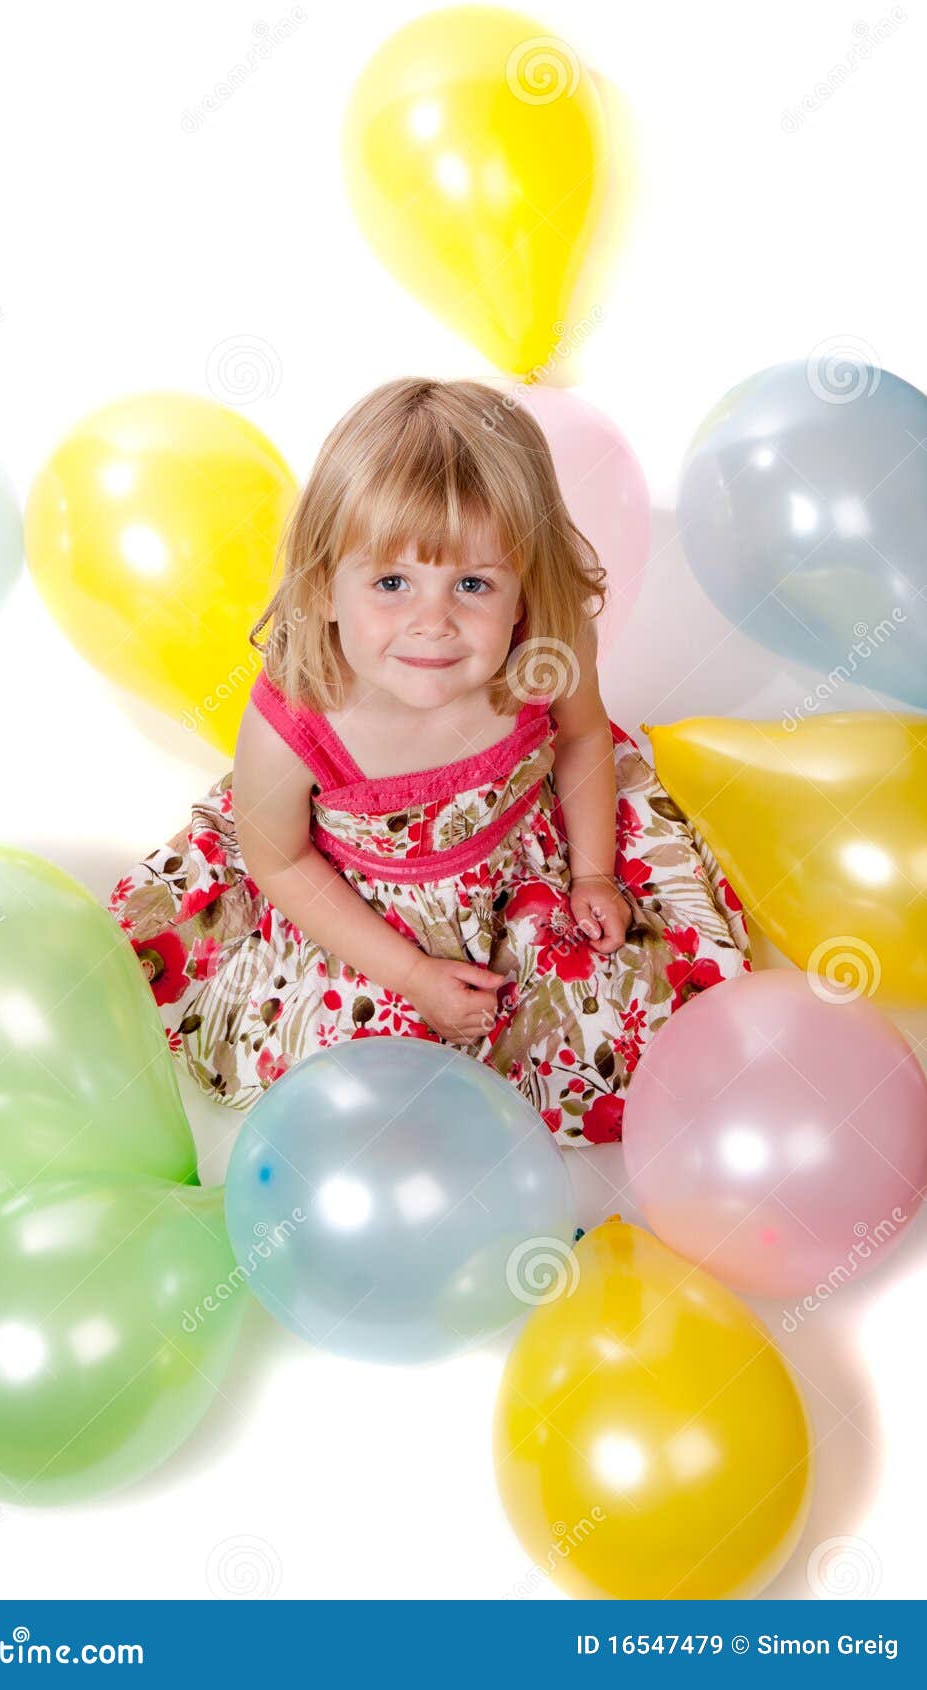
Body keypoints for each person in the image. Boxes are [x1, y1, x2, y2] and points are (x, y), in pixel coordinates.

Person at [107, 377, 751, 1147]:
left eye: (473, 584)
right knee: (392, 1115)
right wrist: (412, 976)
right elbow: (279, 861)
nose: (433, 622)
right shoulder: (297, 715)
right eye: (391, 582)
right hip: (354, 908)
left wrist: (591, 876)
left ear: (523, 593)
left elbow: (581, 741)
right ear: (325, 587)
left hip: (522, 861)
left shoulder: (545, 648)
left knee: (635, 1006)